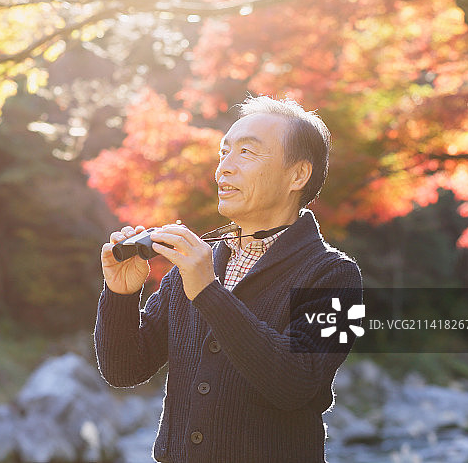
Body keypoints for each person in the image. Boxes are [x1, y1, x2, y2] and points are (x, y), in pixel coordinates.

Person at [94, 95, 363, 462]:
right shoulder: (193, 266)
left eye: (247, 153)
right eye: (224, 153)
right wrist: (120, 296)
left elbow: (296, 384)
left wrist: (208, 292)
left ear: (298, 174)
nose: (224, 169)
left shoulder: (339, 277)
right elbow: (124, 370)